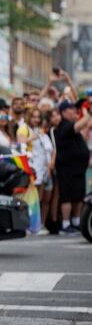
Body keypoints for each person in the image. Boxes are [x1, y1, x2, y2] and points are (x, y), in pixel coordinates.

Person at [53, 100, 92, 235]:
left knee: (78, 197)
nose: (74, 111)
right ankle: (65, 224)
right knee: (67, 197)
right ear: (63, 112)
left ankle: (76, 222)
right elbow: (79, 126)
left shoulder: (71, 125)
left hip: (78, 169)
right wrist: (90, 113)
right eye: (70, 109)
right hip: (67, 169)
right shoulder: (63, 126)